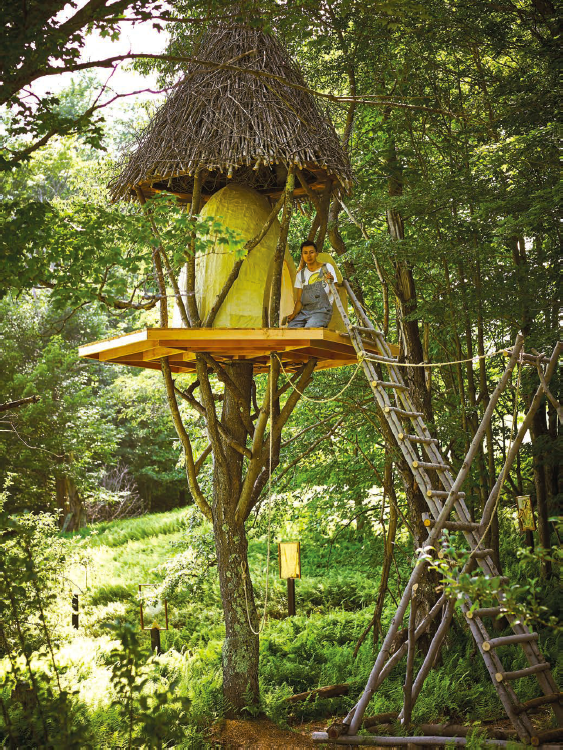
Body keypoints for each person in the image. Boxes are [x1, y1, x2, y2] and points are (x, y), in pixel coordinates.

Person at [286, 241, 336, 328]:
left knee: (309, 330)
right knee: (290, 329)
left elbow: (336, 291)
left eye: (311, 252)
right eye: (305, 253)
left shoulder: (326, 268)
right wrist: (293, 314)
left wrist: (331, 282)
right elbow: (299, 301)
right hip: (305, 312)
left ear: (316, 254)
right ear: (302, 255)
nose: (308, 256)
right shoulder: (300, 275)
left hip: (322, 310)